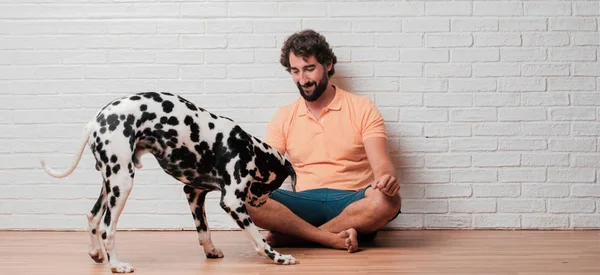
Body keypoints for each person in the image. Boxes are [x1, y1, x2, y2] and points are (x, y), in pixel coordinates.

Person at [246, 29, 401, 253]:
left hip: (353, 200)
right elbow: (266, 171)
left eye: (309, 69)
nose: (303, 79)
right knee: (244, 195)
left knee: (389, 201)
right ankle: (332, 236)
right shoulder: (284, 115)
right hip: (304, 203)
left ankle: (301, 237)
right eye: (295, 71)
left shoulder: (362, 107)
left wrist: (387, 180)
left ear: (327, 64)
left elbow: (382, 165)